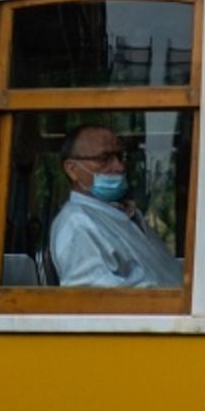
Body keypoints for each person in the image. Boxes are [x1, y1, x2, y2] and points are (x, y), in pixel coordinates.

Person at [47, 123, 181, 291]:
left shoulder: (122, 213)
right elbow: (94, 300)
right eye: (104, 159)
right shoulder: (78, 223)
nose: (119, 166)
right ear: (72, 169)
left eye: (119, 156)